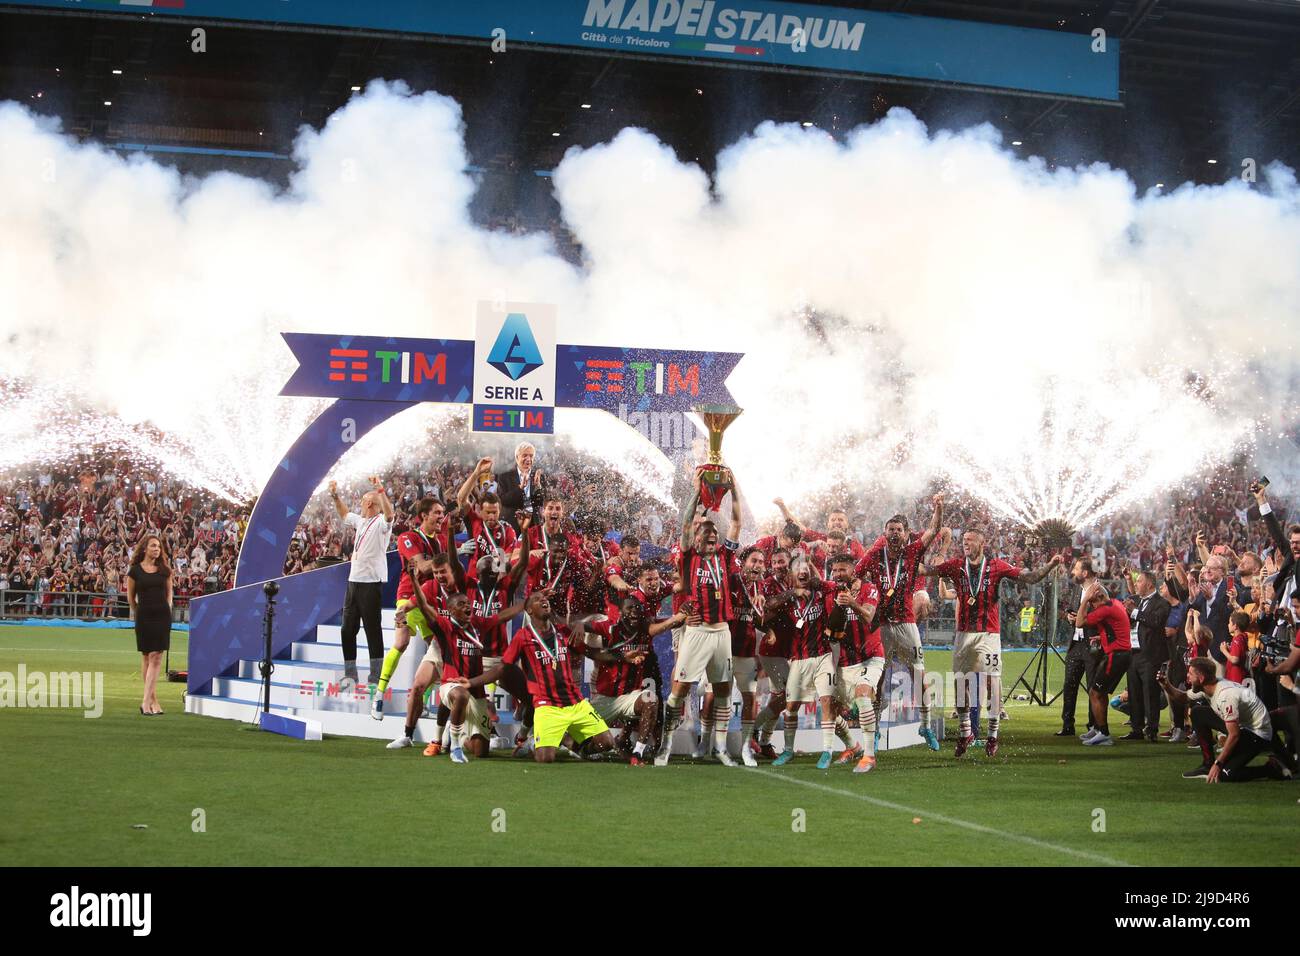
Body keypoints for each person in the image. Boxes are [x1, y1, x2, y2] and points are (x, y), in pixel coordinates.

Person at [922, 530, 1062, 756]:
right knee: (960, 682)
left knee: (992, 683)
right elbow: (926, 570)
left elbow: (1030, 577)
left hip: (989, 634)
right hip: (963, 634)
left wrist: (1051, 565)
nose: (966, 543)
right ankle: (965, 731)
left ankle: (993, 736)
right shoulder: (956, 565)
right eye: (964, 540)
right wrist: (908, 557)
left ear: (982, 542)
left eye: (970, 540)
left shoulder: (997, 566)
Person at [389, 564, 524, 762]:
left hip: (476, 692)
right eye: (461, 605)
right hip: (451, 684)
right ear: (450, 610)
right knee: (458, 693)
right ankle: (453, 746)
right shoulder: (444, 626)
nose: (467, 606)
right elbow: (425, 606)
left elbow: (501, 616)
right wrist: (414, 579)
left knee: (481, 751)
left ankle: (463, 737)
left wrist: (525, 604)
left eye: (467, 603)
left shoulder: (478, 623)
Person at [655, 469, 744, 766]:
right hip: (697, 632)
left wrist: (734, 488)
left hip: (722, 633)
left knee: (722, 690)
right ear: (696, 537)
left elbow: (736, 522)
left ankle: (719, 747)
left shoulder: (724, 555)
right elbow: (684, 522)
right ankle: (665, 745)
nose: (711, 534)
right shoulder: (689, 557)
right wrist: (697, 490)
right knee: (679, 690)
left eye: (713, 533)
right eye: (706, 532)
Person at [471, 591, 622, 764]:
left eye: (545, 599)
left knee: (606, 744)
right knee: (544, 759)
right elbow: (502, 668)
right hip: (547, 705)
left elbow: (593, 653)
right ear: (529, 610)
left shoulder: (563, 632)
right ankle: (535, 743)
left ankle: (572, 744)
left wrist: (622, 656)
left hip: (576, 703)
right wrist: (471, 682)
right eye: (537, 599)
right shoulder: (523, 636)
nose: (544, 600)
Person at [854, 495, 945, 751]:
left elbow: (933, 530)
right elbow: (856, 575)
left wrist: (938, 507)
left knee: (920, 678)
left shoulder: (913, 552)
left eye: (898, 530)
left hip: (906, 624)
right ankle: (874, 731)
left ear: (906, 534)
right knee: (878, 681)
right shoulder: (874, 554)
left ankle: (925, 725)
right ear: (884, 533)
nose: (894, 534)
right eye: (890, 530)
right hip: (881, 625)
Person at [765, 557, 854, 768]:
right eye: (798, 569)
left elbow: (838, 586)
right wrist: (792, 593)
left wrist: (821, 582)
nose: (802, 572)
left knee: (826, 703)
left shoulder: (821, 593)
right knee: (791, 706)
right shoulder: (788, 600)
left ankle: (827, 751)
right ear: (791, 575)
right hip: (798, 660)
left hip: (823, 657)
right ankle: (788, 751)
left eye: (805, 569)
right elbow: (769, 605)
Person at [581, 596, 686, 765]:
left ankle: (638, 752)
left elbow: (671, 624)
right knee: (589, 741)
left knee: (650, 699)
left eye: (637, 608)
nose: (634, 611)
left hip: (631, 698)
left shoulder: (646, 629)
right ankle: (584, 750)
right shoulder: (610, 628)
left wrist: (683, 613)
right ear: (620, 612)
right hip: (606, 698)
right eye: (629, 608)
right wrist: (579, 626)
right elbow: (582, 632)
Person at [372, 497, 449, 719]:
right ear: (424, 515)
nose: (440, 517)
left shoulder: (441, 540)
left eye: (441, 512)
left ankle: (423, 704)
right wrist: (455, 556)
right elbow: (423, 566)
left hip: (432, 600)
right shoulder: (408, 538)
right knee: (401, 641)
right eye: (436, 512)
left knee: (440, 651)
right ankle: (378, 696)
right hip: (407, 599)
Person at [1159, 657, 1295, 781]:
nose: (1187, 677)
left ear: (1201, 678)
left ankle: (1271, 768)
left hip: (1256, 733)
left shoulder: (1225, 695)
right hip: (1243, 725)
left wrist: (1218, 763)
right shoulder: (1208, 685)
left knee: (1225, 774)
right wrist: (1166, 685)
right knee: (1197, 712)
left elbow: (1234, 734)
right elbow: (1184, 698)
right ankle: (1207, 765)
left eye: (1190, 674)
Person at [329, 476, 393, 690]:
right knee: (347, 629)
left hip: (370, 582)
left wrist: (379, 489)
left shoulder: (382, 523)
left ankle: (376, 678)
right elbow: (344, 513)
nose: (359, 503)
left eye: (363, 500)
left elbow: (390, 514)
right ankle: (350, 675)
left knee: (372, 630)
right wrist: (335, 495)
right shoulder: (360, 521)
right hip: (353, 582)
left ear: (368, 503)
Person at [825, 553, 883, 773]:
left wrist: (852, 603)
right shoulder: (832, 593)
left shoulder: (869, 589)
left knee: (862, 695)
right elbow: (831, 631)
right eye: (835, 570)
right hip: (845, 661)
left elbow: (868, 616)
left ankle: (869, 756)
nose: (838, 574)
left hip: (871, 656)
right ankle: (852, 746)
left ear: (853, 570)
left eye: (843, 569)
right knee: (829, 707)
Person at [1076, 582, 1132, 747]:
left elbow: (1079, 623)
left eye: (1093, 602)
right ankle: (1099, 729)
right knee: (1099, 692)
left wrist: (1084, 600)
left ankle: (1104, 733)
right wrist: (1103, 637)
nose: (1092, 606)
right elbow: (1118, 628)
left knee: (1095, 692)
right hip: (1121, 654)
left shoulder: (1106, 608)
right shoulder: (1115, 603)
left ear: (1099, 597)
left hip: (1117, 655)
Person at [1123, 570, 1172, 741]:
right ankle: (1136, 729)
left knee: (1150, 693)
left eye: (1139, 581)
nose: (1136, 584)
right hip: (1133, 653)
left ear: (1150, 584)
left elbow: (1156, 622)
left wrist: (1134, 612)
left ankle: (1151, 730)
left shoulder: (1162, 603)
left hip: (1151, 655)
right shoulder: (1137, 601)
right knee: (1134, 692)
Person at [126, 534, 172, 716]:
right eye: (153, 546)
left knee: (156, 657)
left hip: (162, 616)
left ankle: (146, 703)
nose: (157, 549)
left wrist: (166, 610)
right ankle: (153, 701)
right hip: (144, 616)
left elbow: (169, 595)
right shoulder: (134, 571)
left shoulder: (165, 571)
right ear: (145, 548)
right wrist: (139, 612)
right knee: (147, 657)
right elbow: (130, 598)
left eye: (159, 547)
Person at [1057, 556, 1102, 737]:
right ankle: (1068, 725)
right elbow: (1072, 611)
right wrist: (1070, 618)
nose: (1072, 572)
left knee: (1093, 687)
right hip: (1076, 644)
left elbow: (1102, 618)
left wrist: (1082, 621)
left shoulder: (1099, 591)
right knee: (1070, 685)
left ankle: (1093, 726)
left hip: (1092, 644)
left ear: (1084, 573)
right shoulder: (1078, 590)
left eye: (1075, 568)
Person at [493, 442, 545, 528]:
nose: (528, 459)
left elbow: (540, 502)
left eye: (531, 456)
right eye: (525, 455)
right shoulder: (504, 476)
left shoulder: (539, 476)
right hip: (511, 523)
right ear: (517, 457)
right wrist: (520, 488)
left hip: (533, 524)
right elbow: (503, 500)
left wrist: (538, 487)